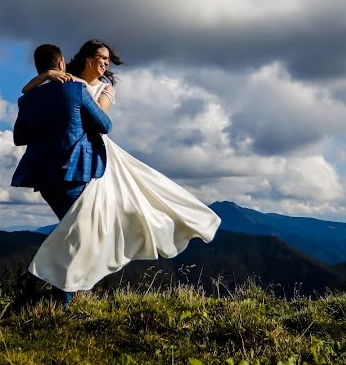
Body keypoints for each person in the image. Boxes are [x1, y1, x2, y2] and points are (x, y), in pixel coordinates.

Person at [24, 39, 221, 293]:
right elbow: (27, 92)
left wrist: (78, 89)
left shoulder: (100, 87)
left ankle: (47, 281)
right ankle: (54, 284)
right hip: (70, 157)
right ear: (88, 58)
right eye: (101, 57)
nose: (106, 62)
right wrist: (49, 76)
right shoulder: (66, 80)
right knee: (85, 225)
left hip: (98, 154)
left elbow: (99, 117)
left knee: (133, 206)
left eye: (108, 59)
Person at [10, 43, 113, 304]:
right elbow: (104, 125)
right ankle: (49, 290)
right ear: (60, 64)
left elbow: (19, 137)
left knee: (72, 231)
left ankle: (46, 289)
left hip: (43, 174)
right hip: (74, 169)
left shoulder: (28, 99)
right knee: (79, 233)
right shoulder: (76, 89)